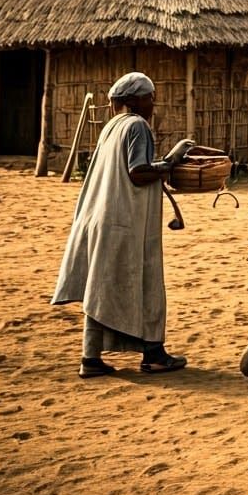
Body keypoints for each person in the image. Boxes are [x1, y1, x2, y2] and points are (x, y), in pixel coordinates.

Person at [52, 72, 193, 378]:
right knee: (147, 283)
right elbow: (138, 173)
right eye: (149, 97)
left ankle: (90, 360)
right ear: (133, 101)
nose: (152, 104)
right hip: (126, 223)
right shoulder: (137, 126)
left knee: (100, 289)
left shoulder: (110, 129)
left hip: (100, 219)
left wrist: (165, 163)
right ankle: (154, 355)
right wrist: (172, 161)